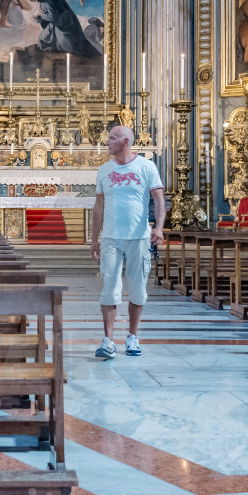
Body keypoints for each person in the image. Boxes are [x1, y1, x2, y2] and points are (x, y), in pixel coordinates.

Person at [90, 126, 164, 359]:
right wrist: (94, 238)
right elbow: (99, 207)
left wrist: (159, 227)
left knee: (138, 290)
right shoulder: (104, 170)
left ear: (124, 141)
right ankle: (108, 339)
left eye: (111, 138)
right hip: (111, 238)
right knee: (110, 289)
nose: (107, 141)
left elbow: (159, 199)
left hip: (139, 238)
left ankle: (132, 336)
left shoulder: (146, 167)